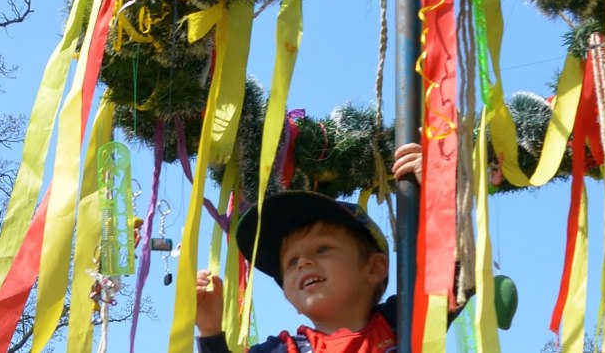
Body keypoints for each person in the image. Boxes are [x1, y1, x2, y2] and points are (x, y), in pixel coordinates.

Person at [195, 143, 461, 352]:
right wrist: (209, 330)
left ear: (375, 268)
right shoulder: (284, 349)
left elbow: (457, 274)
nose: (303, 263)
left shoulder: (400, 322)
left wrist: (438, 192)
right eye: (290, 262)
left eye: (322, 249)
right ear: (289, 297)